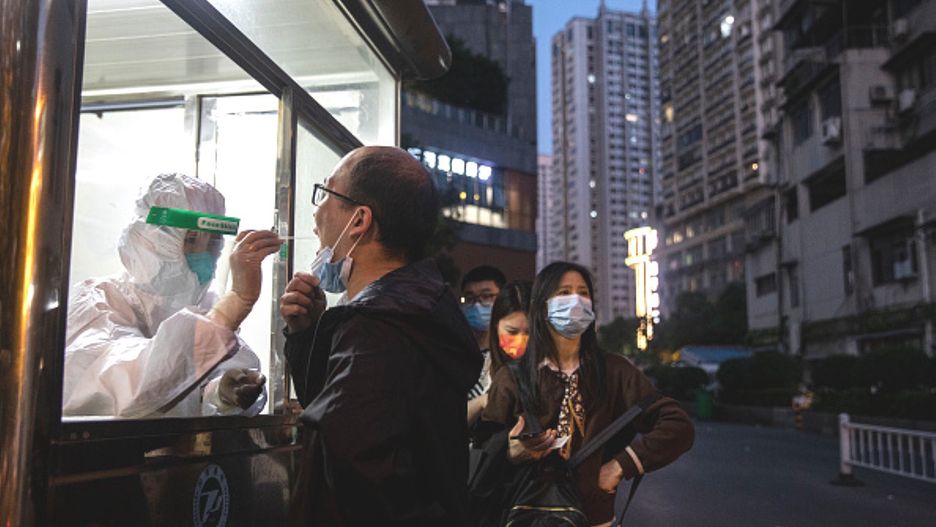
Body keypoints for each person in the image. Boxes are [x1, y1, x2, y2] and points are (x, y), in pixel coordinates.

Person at [279, 146, 482, 526]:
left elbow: (357, 462)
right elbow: (340, 415)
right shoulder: (418, 307)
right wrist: (308, 335)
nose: (316, 212)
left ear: (359, 220)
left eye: (326, 193)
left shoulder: (377, 326)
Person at [479, 261, 695, 525]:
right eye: (564, 292)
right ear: (542, 307)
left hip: (594, 518)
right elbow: (483, 452)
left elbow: (678, 425)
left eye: (583, 293)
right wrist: (511, 450)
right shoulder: (513, 377)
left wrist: (620, 465)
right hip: (525, 515)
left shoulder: (615, 371)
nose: (575, 301)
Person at [63, 173, 278, 418]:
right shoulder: (99, 300)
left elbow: (223, 374)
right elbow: (126, 385)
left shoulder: (207, 304)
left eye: (212, 243)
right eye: (191, 239)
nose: (203, 255)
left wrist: (220, 393)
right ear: (149, 239)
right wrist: (235, 302)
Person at [466, 280, 532, 426]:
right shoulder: (480, 368)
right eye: (512, 332)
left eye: (529, 332)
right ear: (496, 327)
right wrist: (484, 401)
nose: (521, 340)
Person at [462, 266, 507, 422]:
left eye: (486, 296)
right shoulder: (454, 353)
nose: (477, 305)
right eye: (469, 298)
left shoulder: (510, 352)